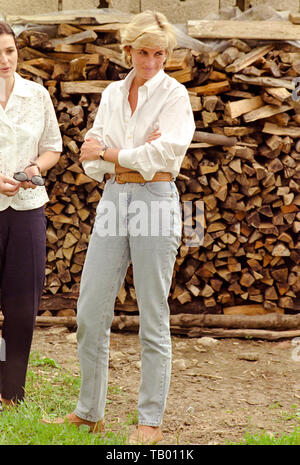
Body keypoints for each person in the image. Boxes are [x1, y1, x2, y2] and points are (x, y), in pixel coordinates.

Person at [44, 10, 195, 443]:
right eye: (143, 53)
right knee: (90, 311)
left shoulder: (175, 95)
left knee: (153, 313)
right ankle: (89, 412)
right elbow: (89, 157)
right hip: (114, 199)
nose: (150, 62)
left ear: (167, 55)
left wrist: (111, 152)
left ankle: (149, 421)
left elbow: (167, 154)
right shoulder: (112, 92)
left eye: (159, 54)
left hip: (155, 199)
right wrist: (122, 154)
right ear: (128, 51)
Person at [0, 21, 62, 409]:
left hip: (26, 210)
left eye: (9, 51)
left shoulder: (36, 95)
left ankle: (10, 391)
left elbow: (52, 147)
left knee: (22, 308)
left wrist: (36, 168)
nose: (4, 61)